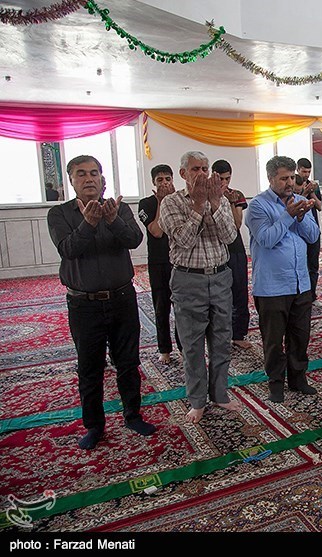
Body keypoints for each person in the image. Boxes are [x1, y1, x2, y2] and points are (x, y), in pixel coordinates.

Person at [47, 155, 155, 449]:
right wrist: (88, 224)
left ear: (101, 177)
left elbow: (134, 239)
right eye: (81, 174)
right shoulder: (59, 214)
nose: (89, 178)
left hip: (122, 299)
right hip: (84, 305)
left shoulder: (118, 208)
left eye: (94, 173)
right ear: (71, 180)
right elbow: (68, 249)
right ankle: (94, 426)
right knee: (90, 368)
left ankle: (133, 415)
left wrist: (112, 220)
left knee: (128, 362)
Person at [159, 151, 243, 423]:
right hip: (188, 279)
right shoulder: (171, 203)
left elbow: (230, 236)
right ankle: (197, 400)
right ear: (183, 174)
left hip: (220, 277)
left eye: (205, 168)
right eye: (195, 168)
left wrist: (216, 205)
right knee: (193, 344)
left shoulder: (218, 201)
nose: (202, 174)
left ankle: (219, 394)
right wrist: (197, 206)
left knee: (221, 341)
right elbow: (182, 240)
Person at [246, 156, 320, 402]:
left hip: (301, 283)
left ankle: (298, 379)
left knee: (300, 336)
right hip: (272, 286)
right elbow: (266, 239)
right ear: (270, 179)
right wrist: (288, 216)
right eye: (284, 178)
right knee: (274, 341)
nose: (290, 183)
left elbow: (313, 236)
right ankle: (276, 383)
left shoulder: (300, 201)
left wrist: (299, 218)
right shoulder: (257, 206)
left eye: (291, 178)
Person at [138, 164, 181, 363]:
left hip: (179, 261)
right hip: (158, 262)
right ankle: (164, 348)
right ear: (153, 183)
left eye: (167, 179)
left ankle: (183, 346)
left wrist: (170, 201)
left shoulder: (181, 200)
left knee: (182, 306)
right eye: (160, 180)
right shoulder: (145, 204)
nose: (164, 183)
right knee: (161, 307)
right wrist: (162, 203)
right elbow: (157, 231)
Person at [212, 159, 251, 349]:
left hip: (235, 250)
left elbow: (236, 225)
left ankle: (239, 333)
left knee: (240, 291)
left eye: (227, 178)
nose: (224, 183)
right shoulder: (207, 196)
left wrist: (231, 201)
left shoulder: (237, 195)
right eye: (220, 178)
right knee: (219, 295)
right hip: (215, 251)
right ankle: (219, 334)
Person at [294, 157, 322, 305]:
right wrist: (304, 193)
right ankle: (300, 296)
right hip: (298, 230)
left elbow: (319, 207)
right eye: (304, 171)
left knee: (313, 264)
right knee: (300, 263)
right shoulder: (293, 184)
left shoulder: (314, 186)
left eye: (308, 172)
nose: (306, 174)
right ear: (298, 169)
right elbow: (294, 204)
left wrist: (311, 193)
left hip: (312, 228)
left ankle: (312, 296)